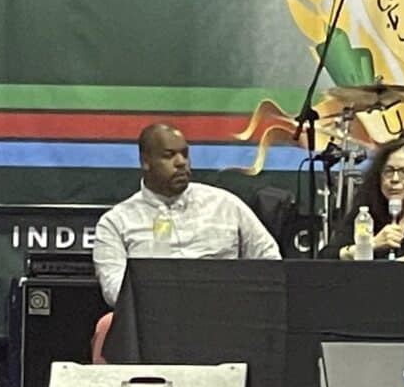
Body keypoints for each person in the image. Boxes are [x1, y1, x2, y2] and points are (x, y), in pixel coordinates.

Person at [93, 122, 281, 306]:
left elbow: (269, 258)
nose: (181, 163)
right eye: (169, 155)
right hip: (156, 319)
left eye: (185, 154)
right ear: (145, 162)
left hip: (225, 313)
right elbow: (114, 289)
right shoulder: (116, 223)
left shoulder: (226, 206)